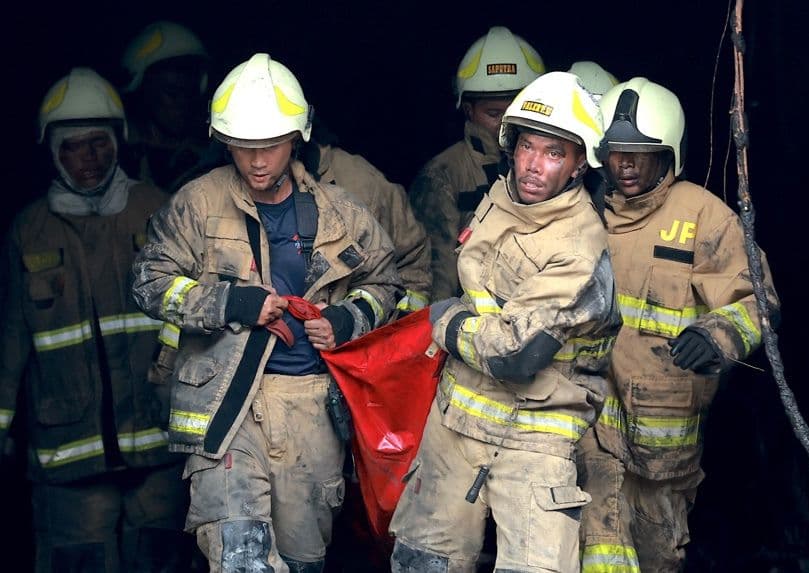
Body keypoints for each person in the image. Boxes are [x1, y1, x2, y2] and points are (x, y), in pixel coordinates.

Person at [131, 53, 402, 572]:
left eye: (270, 146)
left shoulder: (340, 212)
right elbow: (149, 281)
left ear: (297, 138)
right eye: (243, 147)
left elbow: (389, 283)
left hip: (310, 410)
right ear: (223, 141)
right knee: (242, 555)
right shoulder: (198, 204)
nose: (257, 161)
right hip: (227, 405)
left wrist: (347, 319)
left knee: (302, 561)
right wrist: (230, 303)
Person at [388, 71, 621, 573]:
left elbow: (516, 354)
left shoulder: (579, 247)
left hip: (535, 438)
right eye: (527, 147)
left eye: (554, 153)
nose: (534, 165)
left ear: (580, 164)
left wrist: (445, 321)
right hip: (455, 423)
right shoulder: (501, 194)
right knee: (422, 561)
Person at [0, 67, 190, 572]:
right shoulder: (30, 231)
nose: (89, 157)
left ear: (118, 142)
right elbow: (10, 341)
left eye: (99, 143)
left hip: (156, 444)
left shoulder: (158, 211)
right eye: (73, 146)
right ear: (52, 152)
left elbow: (195, 314)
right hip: (69, 456)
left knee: (161, 562)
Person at [590, 77, 780, 571]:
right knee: (595, 549)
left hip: (663, 445)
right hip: (589, 431)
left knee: (656, 557)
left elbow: (758, 299)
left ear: (669, 154)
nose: (626, 165)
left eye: (642, 154)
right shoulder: (583, 214)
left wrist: (717, 335)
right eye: (616, 152)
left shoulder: (703, 217)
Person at [409, 25, 545, 302]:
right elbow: (438, 273)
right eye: (494, 113)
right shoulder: (443, 176)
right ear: (468, 110)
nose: (506, 122)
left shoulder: (553, 167)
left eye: (516, 109)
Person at [303, 117, 432, 316]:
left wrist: (399, 324)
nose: (259, 161)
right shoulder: (250, 191)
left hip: (357, 329)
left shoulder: (360, 182)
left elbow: (411, 257)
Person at [119, 20, 220, 193]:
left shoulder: (212, 157)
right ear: (142, 93)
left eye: (190, 93)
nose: (183, 103)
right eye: (172, 93)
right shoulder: (111, 160)